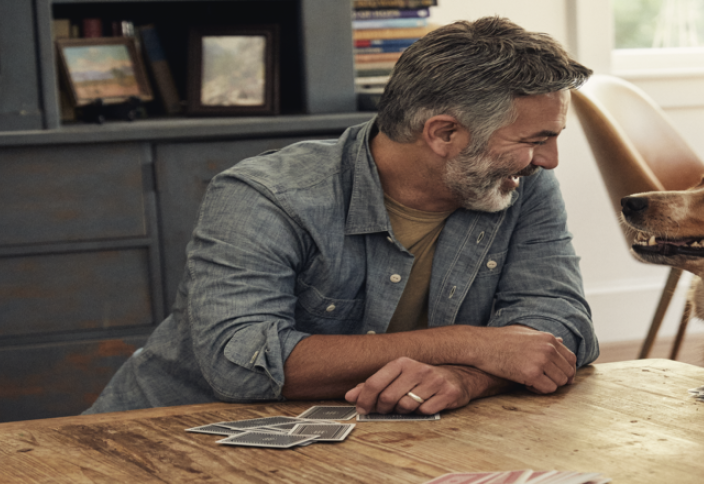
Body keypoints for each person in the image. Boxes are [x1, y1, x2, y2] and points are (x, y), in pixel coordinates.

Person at [85, 16, 599, 417]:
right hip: (171, 434)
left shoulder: (521, 184)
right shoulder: (265, 196)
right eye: (536, 140)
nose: (550, 160)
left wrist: (468, 377)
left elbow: (561, 325)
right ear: (444, 134)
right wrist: (468, 345)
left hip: (376, 440)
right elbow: (239, 364)